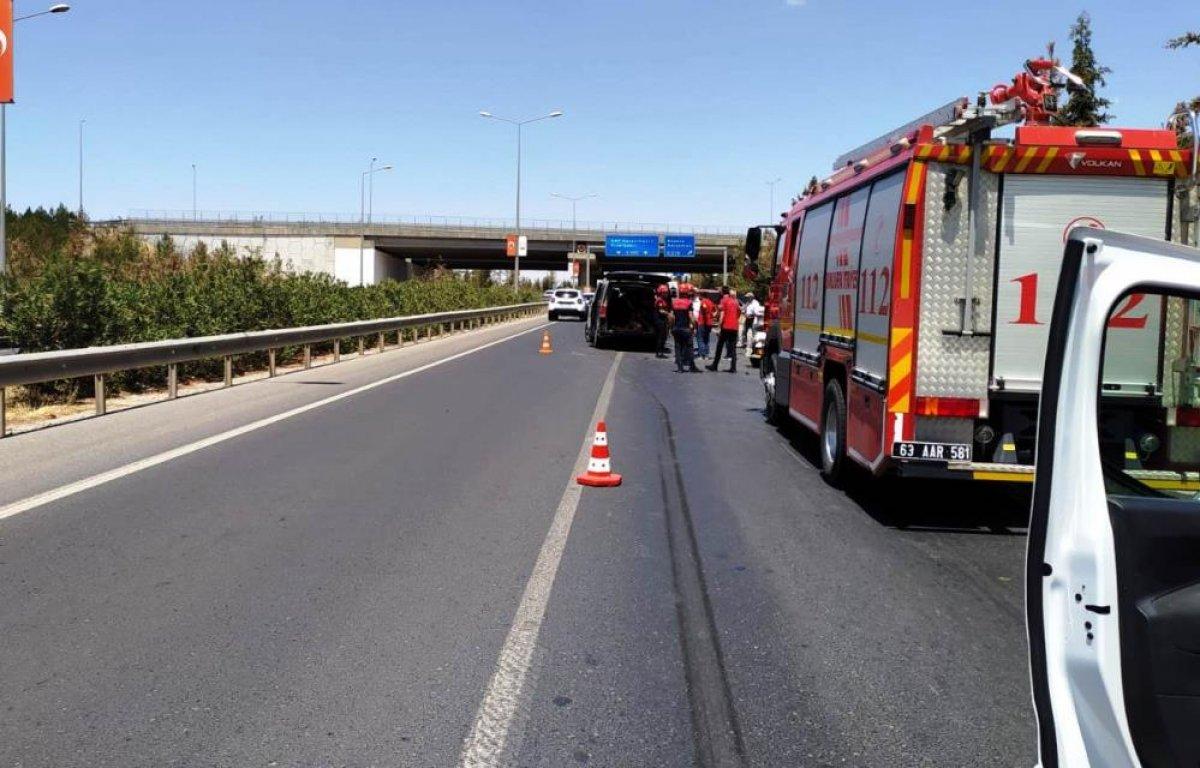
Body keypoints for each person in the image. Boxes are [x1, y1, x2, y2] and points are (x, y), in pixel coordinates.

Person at [708, 286, 741, 372]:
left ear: (722, 292)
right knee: (733, 347)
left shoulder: (724, 300)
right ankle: (733, 367)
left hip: (726, 326)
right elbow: (739, 312)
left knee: (720, 346)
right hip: (734, 326)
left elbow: (722, 314)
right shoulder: (736, 301)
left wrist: (719, 326)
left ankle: (715, 365)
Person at [671, 283, 701, 373]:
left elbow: (671, 317)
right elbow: (691, 317)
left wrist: (671, 327)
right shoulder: (688, 303)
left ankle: (680, 368)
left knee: (678, 348)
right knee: (689, 347)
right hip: (686, 329)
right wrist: (694, 326)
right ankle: (692, 366)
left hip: (676, 328)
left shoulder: (674, 302)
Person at [696, 291, 715, 359]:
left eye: (699, 295)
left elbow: (704, 308)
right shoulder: (710, 302)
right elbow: (714, 311)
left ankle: (702, 355)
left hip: (703, 322)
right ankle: (706, 355)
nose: (698, 297)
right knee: (706, 339)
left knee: (700, 338)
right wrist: (711, 316)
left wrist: (705, 315)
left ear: (702, 295)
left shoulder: (703, 301)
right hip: (709, 322)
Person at [653, 284, 671, 358]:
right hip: (659, 320)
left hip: (662, 320)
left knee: (663, 336)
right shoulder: (660, 300)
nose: (666, 294)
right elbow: (661, 310)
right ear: (661, 293)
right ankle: (659, 353)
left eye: (667, 292)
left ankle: (661, 350)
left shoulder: (663, 300)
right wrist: (669, 314)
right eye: (665, 293)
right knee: (661, 336)